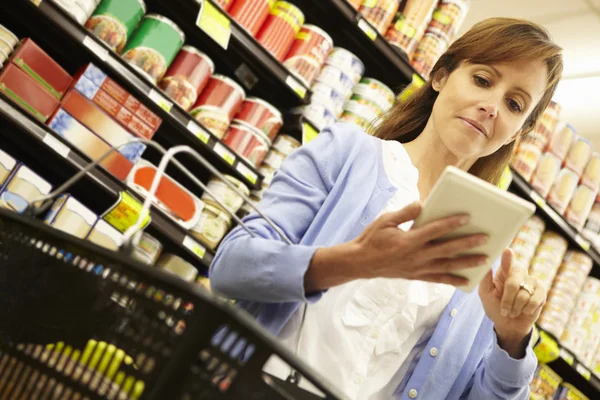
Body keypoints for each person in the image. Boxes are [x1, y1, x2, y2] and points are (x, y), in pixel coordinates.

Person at [210, 17, 563, 400]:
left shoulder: (486, 259)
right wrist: (356, 261)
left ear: (520, 131)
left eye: (514, 104)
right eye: (482, 80)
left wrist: (512, 339)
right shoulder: (345, 154)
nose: (492, 107)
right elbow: (231, 265)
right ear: (441, 75)